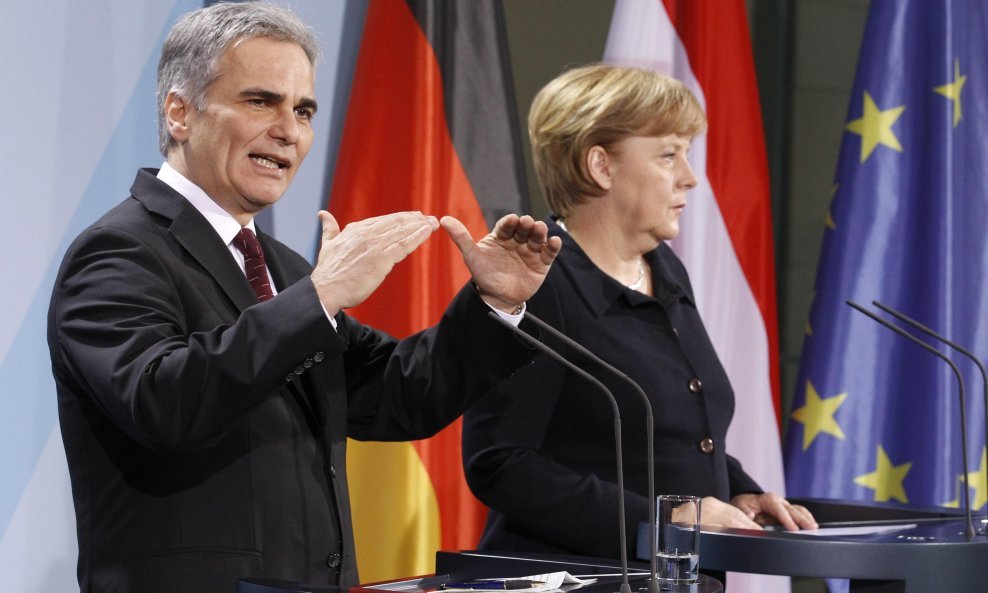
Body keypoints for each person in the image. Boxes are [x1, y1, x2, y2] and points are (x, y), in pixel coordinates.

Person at [46, 3, 561, 593]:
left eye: (304, 110)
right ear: (180, 112)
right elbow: (163, 402)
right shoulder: (119, 251)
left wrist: (493, 305)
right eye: (260, 101)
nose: (289, 130)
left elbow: (398, 395)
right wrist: (318, 296)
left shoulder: (282, 270)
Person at [462, 64, 816, 562]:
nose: (690, 179)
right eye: (669, 155)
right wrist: (667, 518)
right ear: (600, 166)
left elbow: (677, 440)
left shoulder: (665, 270)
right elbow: (499, 462)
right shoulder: (535, 281)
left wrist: (739, 491)